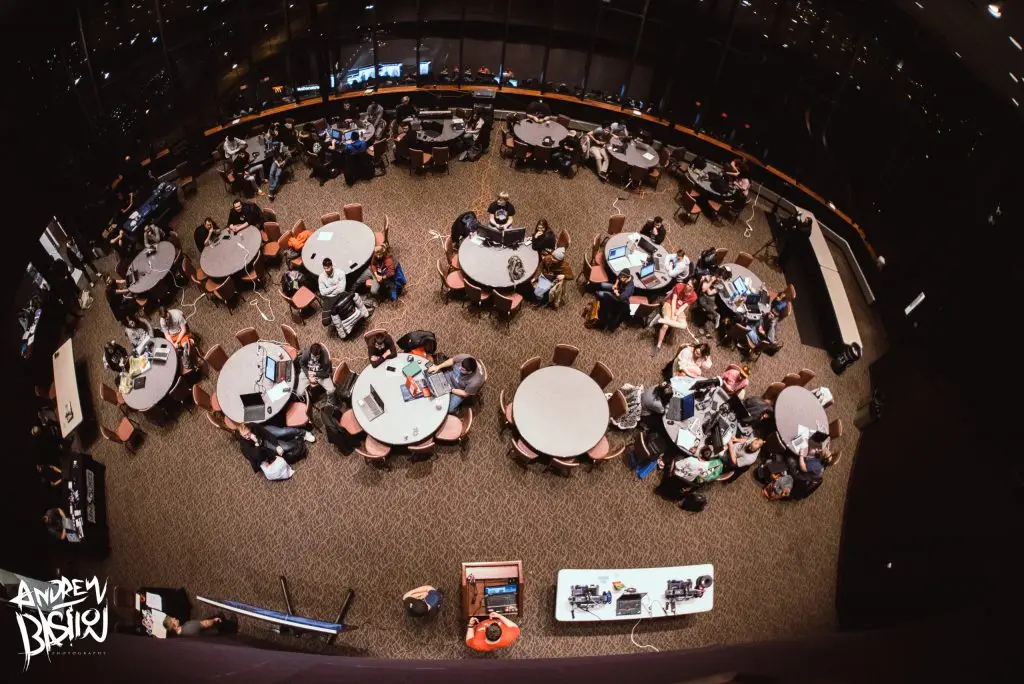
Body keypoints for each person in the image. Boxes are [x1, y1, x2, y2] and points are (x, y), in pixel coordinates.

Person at [653, 282, 696, 355]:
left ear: (693, 288)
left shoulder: (694, 296)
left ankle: (659, 320)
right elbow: (673, 300)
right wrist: (673, 315)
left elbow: (683, 307)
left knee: (684, 325)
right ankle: (658, 345)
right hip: (669, 304)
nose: (687, 285)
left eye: (690, 285)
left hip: (679, 309)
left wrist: (677, 314)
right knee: (665, 326)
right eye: (687, 283)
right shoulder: (679, 286)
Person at [163, 615, 231, 637]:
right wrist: (214, 620)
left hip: (205, 635)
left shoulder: (180, 634)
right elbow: (206, 623)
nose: (175, 618)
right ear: (174, 626)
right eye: (173, 620)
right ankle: (232, 624)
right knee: (216, 619)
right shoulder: (189, 627)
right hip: (215, 631)